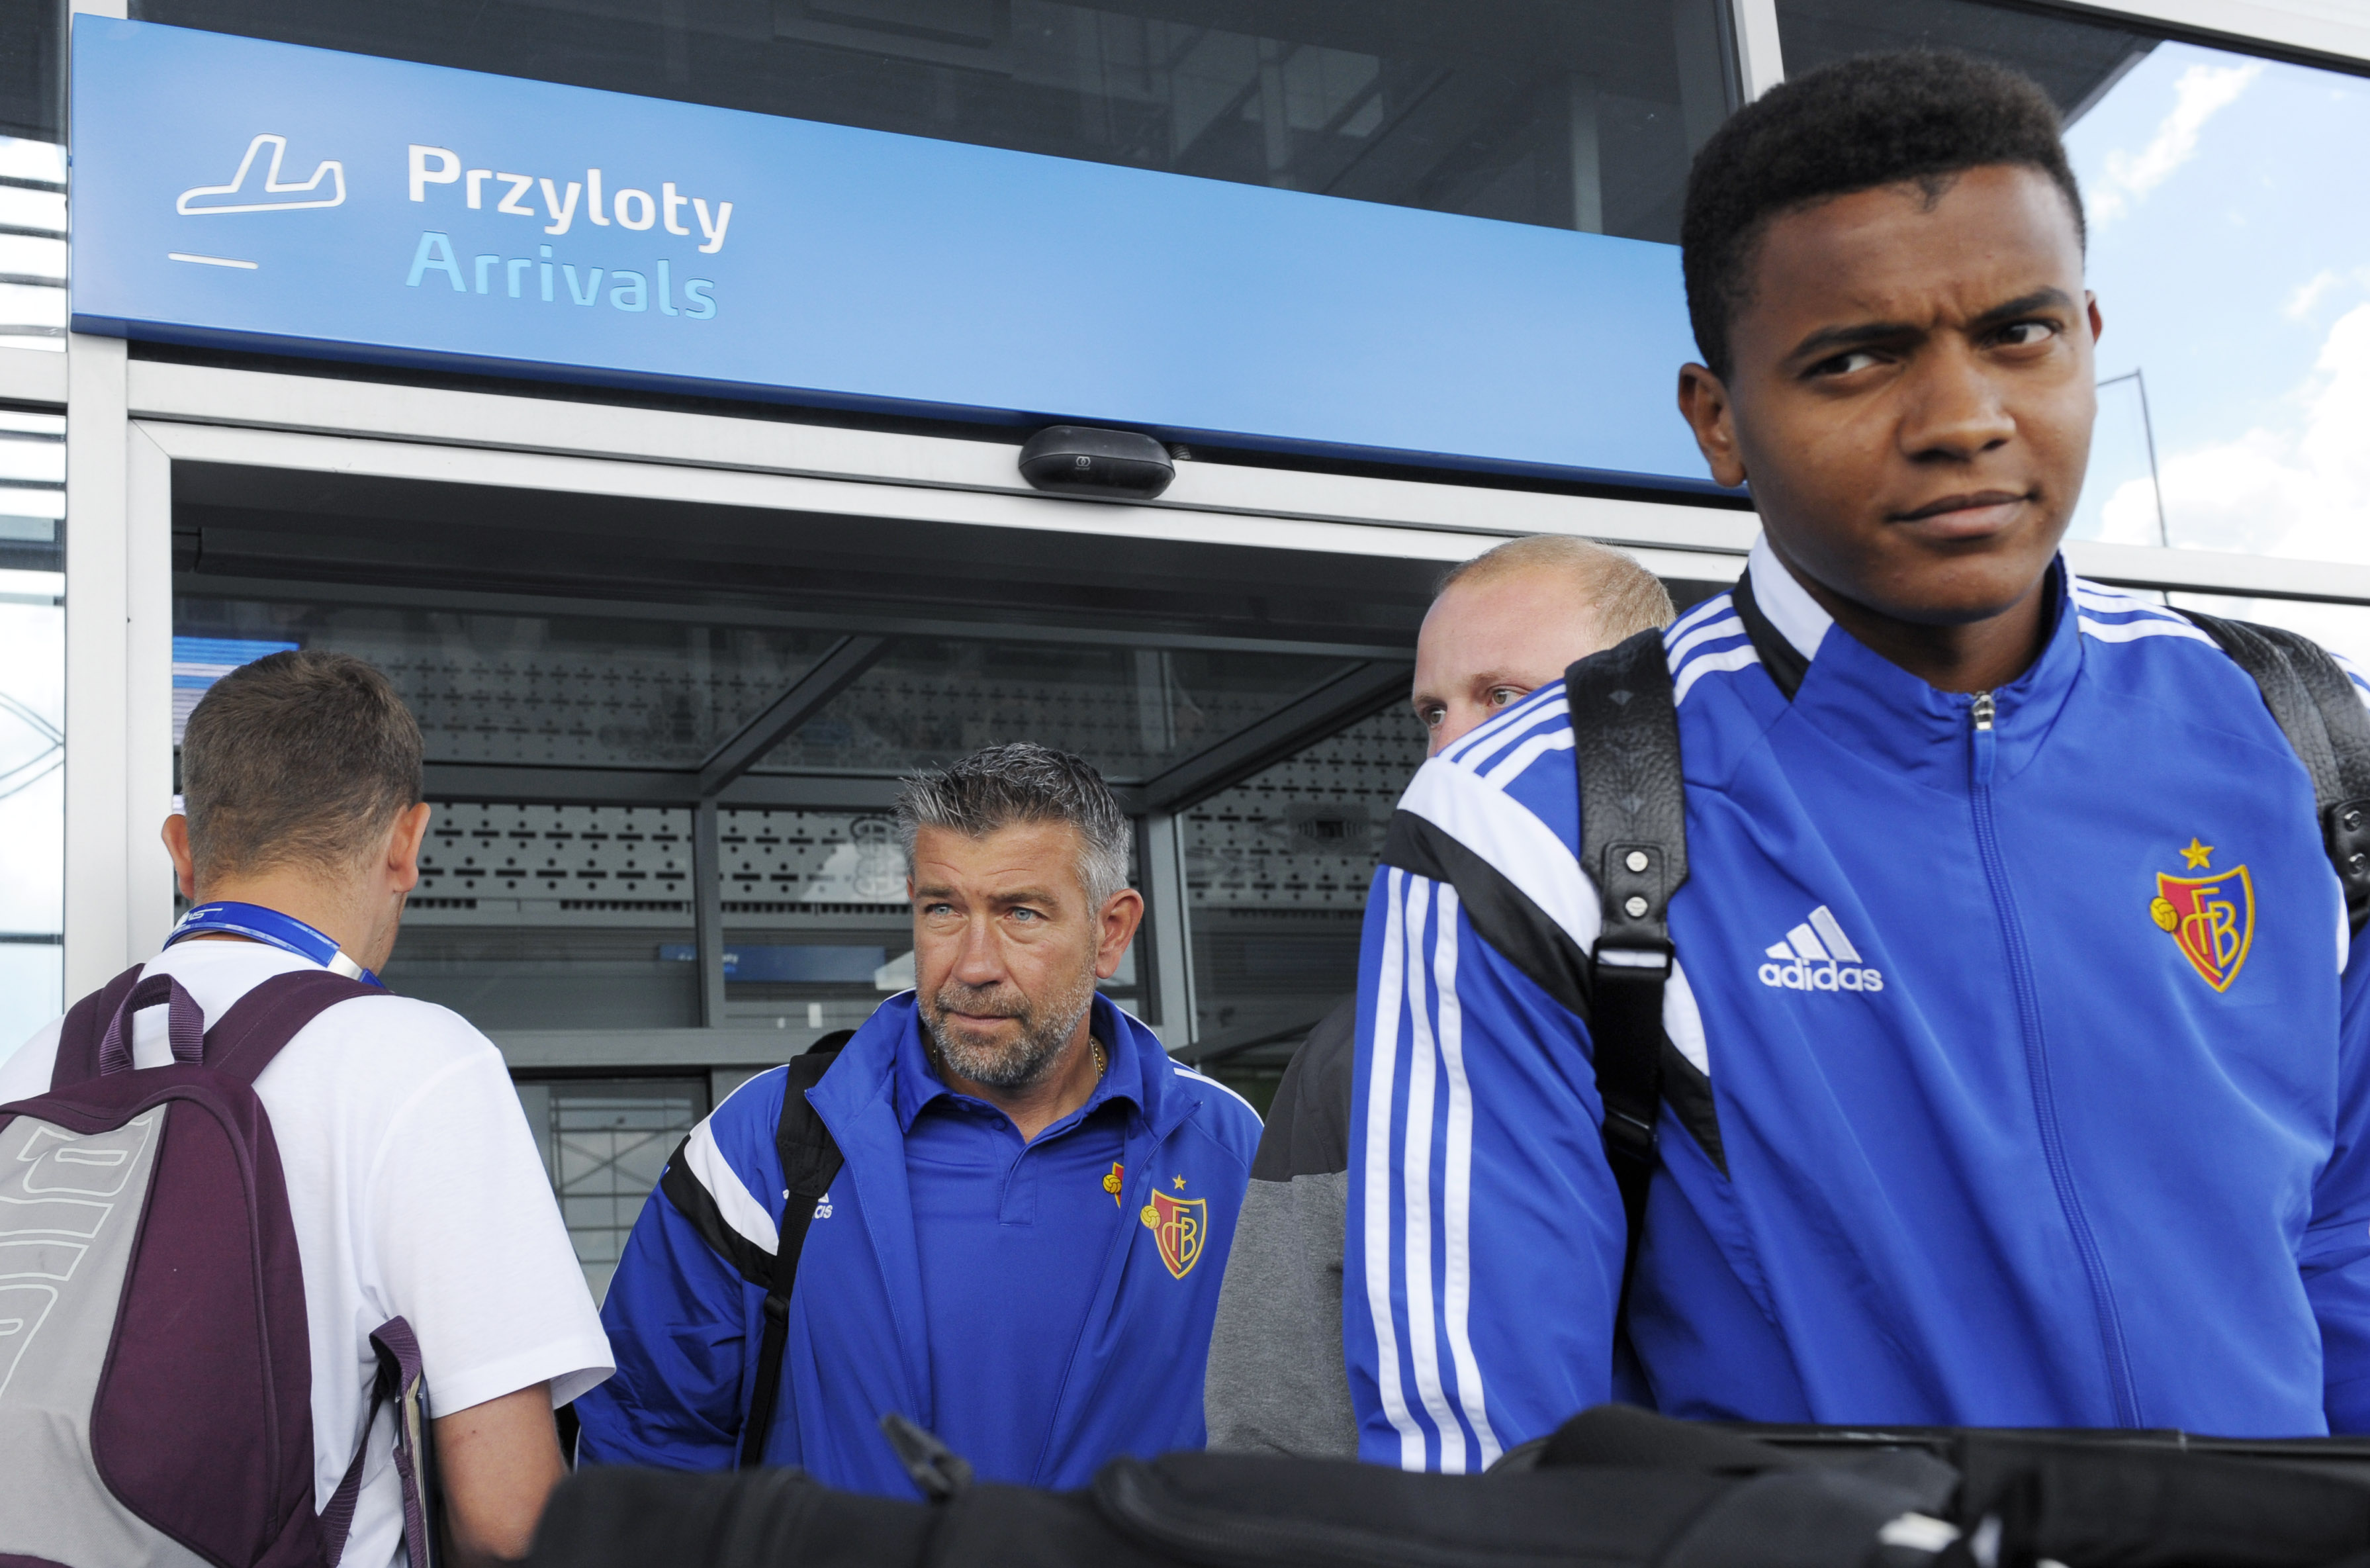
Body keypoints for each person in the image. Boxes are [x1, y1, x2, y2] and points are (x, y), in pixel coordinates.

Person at [1348, 48, 2370, 1469]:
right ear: (1717, 421)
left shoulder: (2300, 735)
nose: (1959, 417)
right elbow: (1478, 1462)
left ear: (2083, 332)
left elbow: (2349, 1246)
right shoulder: (1526, 820)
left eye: (2016, 334)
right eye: (1854, 357)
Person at [0, 651, 612, 1565]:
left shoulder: (34, 1067)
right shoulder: (420, 1062)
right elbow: (507, 1518)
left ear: (183, 847)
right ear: (407, 843)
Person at [576, 743, 1263, 1494]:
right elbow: (646, 1453)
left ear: (1111, 931)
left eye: (1020, 913)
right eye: (942, 908)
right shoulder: (762, 1146)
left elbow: (1291, 1447)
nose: (972, 964)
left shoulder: (1230, 1153)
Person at [1203, 534, 1674, 1457]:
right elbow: (1276, 1431)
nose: (1452, 748)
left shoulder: (1793, 990)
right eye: (1432, 711)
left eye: (1504, 698)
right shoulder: (1359, 1053)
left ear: (1647, 723)